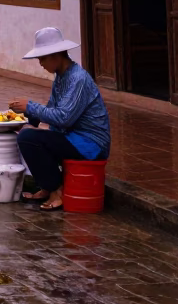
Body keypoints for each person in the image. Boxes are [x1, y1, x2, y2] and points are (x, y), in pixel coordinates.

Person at [10, 27, 111, 212]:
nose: (40, 63)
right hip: (73, 137)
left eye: (42, 58)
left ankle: (56, 190)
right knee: (28, 134)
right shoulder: (61, 77)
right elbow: (51, 111)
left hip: (90, 144)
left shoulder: (78, 79)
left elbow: (63, 118)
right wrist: (24, 117)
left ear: (56, 56)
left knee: (29, 139)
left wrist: (30, 107)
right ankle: (48, 187)